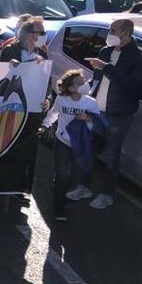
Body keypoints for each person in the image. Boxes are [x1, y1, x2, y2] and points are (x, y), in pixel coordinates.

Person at [83, 18, 142, 209]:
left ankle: (107, 194)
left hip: (118, 117)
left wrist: (106, 67)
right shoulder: (105, 51)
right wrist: (83, 92)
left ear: (125, 33)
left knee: (112, 156)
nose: (109, 33)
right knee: (87, 150)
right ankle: (84, 186)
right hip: (96, 111)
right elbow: (96, 81)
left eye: (113, 30)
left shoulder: (140, 57)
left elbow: (130, 85)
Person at [39, 70, 101, 221]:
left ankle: (62, 194)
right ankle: (58, 208)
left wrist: (88, 118)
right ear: (71, 88)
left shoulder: (91, 103)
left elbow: (98, 125)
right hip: (62, 142)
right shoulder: (61, 100)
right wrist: (44, 126)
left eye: (84, 82)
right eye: (80, 83)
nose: (85, 85)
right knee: (62, 175)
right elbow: (53, 114)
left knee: (74, 177)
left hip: (80, 146)